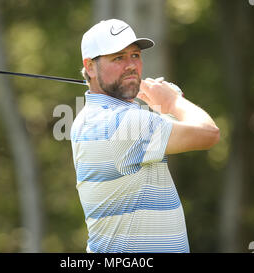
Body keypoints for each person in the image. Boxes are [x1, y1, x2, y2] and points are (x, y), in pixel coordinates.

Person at [71, 19, 220, 253]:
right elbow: (208, 133)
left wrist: (166, 106)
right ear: (90, 67)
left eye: (135, 56)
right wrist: (172, 101)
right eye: (118, 58)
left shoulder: (87, 118)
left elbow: (168, 129)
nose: (131, 65)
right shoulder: (123, 123)